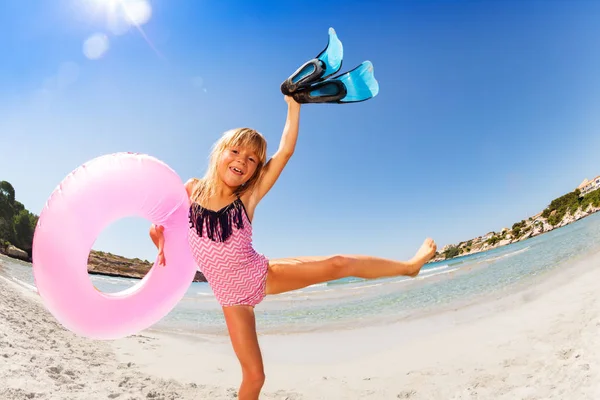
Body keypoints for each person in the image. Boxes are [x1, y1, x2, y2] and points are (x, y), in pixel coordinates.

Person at [149, 95, 437, 400]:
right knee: (255, 377)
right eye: (235, 151)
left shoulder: (247, 198)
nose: (242, 161)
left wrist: (293, 105)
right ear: (219, 152)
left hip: (261, 275)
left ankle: (410, 266)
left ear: (256, 169)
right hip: (232, 300)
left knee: (338, 263)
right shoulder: (191, 189)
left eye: (252, 160)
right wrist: (159, 242)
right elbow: (163, 225)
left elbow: (285, 151)